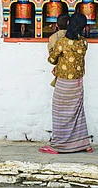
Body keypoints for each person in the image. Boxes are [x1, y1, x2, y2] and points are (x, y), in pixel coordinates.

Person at [39, 12, 93, 154]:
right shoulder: (84, 42)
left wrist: (57, 62)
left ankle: (57, 145)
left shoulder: (62, 42)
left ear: (69, 24)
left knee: (60, 114)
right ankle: (83, 144)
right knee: (77, 113)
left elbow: (51, 59)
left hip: (64, 83)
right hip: (78, 83)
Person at [48, 13, 70, 87]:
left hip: (60, 72)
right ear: (69, 23)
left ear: (56, 25)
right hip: (75, 73)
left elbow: (52, 58)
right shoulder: (76, 37)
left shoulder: (52, 38)